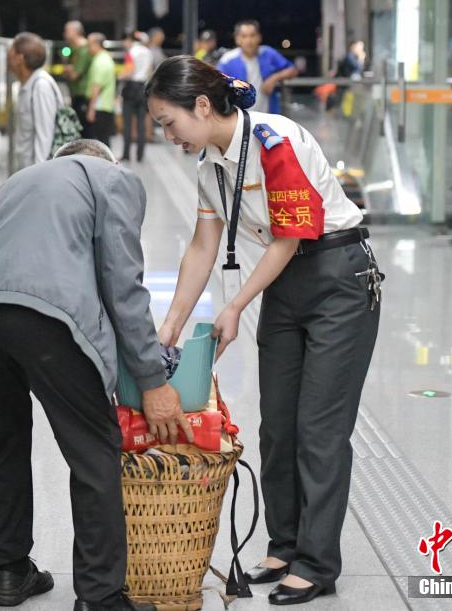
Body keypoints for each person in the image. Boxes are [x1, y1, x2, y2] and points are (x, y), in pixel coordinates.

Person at [146, 56, 380, 605]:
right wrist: (170, 328)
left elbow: (290, 238)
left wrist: (235, 306)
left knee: (319, 429)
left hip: (338, 278)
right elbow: (203, 248)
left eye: (169, 122)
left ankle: (318, 563)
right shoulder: (211, 167)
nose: (168, 135)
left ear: (202, 106)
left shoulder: (277, 141)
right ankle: (285, 542)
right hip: (283, 285)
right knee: (277, 424)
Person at [0, 139, 192, 611]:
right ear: (105, 161)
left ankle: (12, 572)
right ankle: (100, 597)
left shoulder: (20, 181)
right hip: (45, 320)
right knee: (94, 452)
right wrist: (153, 379)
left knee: (8, 436)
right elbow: (122, 285)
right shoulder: (112, 179)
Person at [218, 20, 297, 114]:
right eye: (244, 36)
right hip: (239, 118)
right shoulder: (228, 60)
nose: (249, 40)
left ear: (259, 37)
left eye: (252, 35)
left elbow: (292, 70)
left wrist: (274, 78)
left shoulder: (268, 53)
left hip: (268, 116)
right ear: (237, 39)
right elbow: (215, 82)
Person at [9, 32, 61, 169]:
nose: (8, 57)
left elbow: (45, 136)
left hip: (35, 174)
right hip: (26, 170)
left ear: (20, 58)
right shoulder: (26, 84)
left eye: (11, 52)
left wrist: (38, 177)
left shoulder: (40, 86)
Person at [120, 31, 154, 161]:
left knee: (127, 123)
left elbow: (129, 71)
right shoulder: (147, 52)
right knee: (141, 124)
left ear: (130, 40)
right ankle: (140, 155)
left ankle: (126, 154)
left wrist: (118, 76)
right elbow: (150, 71)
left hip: (131, 88)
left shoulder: (131, 52)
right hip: (143, 88)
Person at [85, 33, 117, 146]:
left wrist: (91, 109)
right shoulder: (104, 58)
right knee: (103, 140)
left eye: (88, 44)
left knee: (100, 143)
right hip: (105, 106)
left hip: (100, 107)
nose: (87, 47)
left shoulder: (101, 61)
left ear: (95, 44)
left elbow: (96, 87)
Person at [63, 21, 92, 130]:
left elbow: (75, 75)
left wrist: (69, 71)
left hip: (83, 95)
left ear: (76, 32)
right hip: (76, 94)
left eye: (67, 31)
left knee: (84, 130)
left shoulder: (84, 49)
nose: (64, 34)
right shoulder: (73, 48)